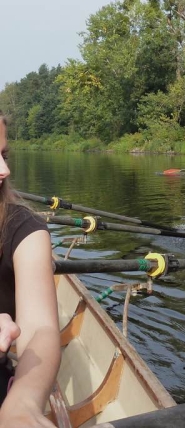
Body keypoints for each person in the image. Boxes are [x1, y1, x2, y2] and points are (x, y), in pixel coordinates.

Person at [0, 114, 60, 427]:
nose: (4, 170)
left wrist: (21, 404)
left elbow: (40, 330)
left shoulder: (26, 230)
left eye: (4, 154)